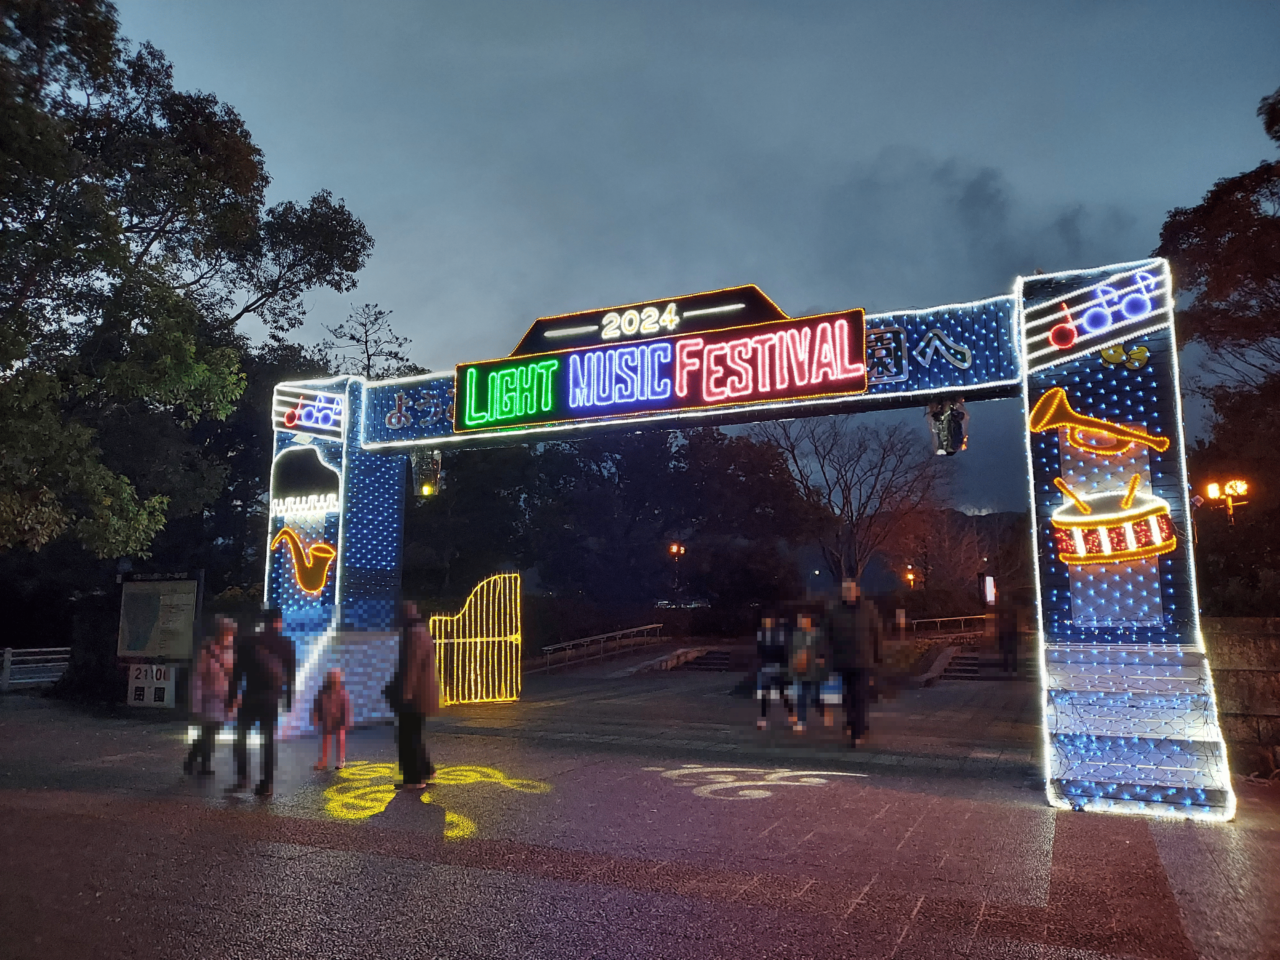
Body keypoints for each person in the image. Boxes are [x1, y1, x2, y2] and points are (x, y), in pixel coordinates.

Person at [226, 609, 296, 798]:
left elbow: (237, 674)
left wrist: (231, 699)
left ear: (263, 622)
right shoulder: (286, 644)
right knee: (268, 741)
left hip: (250, 696)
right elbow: (290, 677)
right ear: (279, 622)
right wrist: (288, 700)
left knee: (241, 737)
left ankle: (242, 778)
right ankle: (266, 784)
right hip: (271, 700)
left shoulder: (248, 641)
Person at [385, 600, 438, 789]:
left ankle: (414, 778)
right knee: (414, 733)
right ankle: (426, 769)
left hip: (414, 695)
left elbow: (411, 667)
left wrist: (404, 695)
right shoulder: (420, 631)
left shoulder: (413, 634)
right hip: (422, 694)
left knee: (407, 735)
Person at [825, 579, 883, 747]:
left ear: (856, 592)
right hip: (843, 662)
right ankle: (853, 723)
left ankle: (857, 732)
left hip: (864, 662)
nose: (848, 594)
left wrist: (877, 658)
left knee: (860, 697)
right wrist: (827, 656)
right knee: (848, 697)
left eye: (851, 591)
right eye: (845, 591)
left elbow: (876, 635)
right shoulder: (835, 611)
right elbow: (827, 636)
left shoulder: (867, 610)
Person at [184, 615, 236, 776]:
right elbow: (198, 677)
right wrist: (196, 702)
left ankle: (194, 761)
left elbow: (232, 675)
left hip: (222, 699)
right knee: (208, 732)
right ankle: (200, 762)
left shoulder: (230, 651)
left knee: (211, 732)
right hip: (208, 699)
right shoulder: (207, 651)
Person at [789, 612, 830, 733]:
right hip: (801, 670)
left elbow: (824, 650)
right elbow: (792, 651)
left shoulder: (818, 634)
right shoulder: (796, 635)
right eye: (798, 620)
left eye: (802, 620)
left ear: (809, 621)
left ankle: (823, 711)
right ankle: (802, 722)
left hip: (815, 671)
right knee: (801, 696)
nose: (800, 623)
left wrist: (821, 659)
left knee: (815, 697)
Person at [755, 612, 794, 731]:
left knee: (785, 693)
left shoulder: (780, 634)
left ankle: (791, 716)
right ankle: (763, 718)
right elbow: (760, 651)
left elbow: (785, 650)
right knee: (765, 694)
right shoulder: (762, 635)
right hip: (768, 666)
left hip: (780, 667)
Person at [311, 668, 353, 770]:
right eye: (331, 677)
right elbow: (317, 705)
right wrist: (316, 716)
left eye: (335, 677)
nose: (333, 679)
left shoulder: (343, 693)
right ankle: (324, 760)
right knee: (326, 739)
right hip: (327, 719)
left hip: (339, 720)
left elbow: (346, 708)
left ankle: (340, 760)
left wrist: (346, 721)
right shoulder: (323, 692)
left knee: (340, 739)